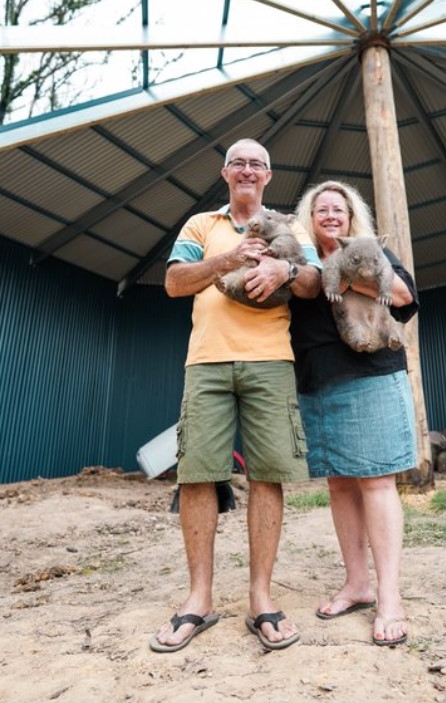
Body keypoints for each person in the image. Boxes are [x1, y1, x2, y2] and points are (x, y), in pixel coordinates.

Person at [150, 138, 321, 653]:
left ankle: (260, 599)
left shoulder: (289, 226)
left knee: (268, 473)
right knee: (198, 473)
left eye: (258, 164)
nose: (248, 170)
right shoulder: (201, 225)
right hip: (205, 361)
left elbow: (314, 281)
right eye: (239, 162)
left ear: (268, 176)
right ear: (226, 173)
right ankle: (198, 599)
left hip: (271, 360)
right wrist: (230, 258)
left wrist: (284, 270)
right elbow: (175, 284)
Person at [289, 180, 419, 647]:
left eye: (337, 209)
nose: (329, 215)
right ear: (309, 218)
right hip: (317, 382)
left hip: (371, 376)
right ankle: (357, 583)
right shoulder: (297, 263)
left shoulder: (368, 252)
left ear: (350, 217)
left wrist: (340, 270)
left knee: (377, 481)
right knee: (340, 482)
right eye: (320, 209)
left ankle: (389, 597)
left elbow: (403, 297)